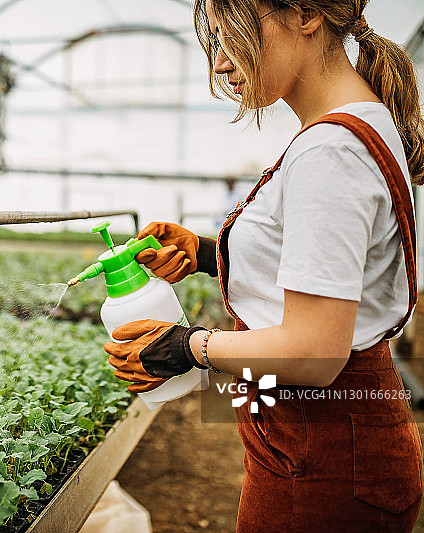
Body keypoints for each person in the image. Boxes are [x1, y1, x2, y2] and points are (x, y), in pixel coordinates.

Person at [103, 0, 424, 531]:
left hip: (323, 462)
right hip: (329, 446)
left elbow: (314, 353)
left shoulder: (330, 152)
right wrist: (209, 253)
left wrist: (188, 347)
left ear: (305, 15)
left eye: (235, 30)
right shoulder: (351, 125)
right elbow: (329, 268)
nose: (221, 63)